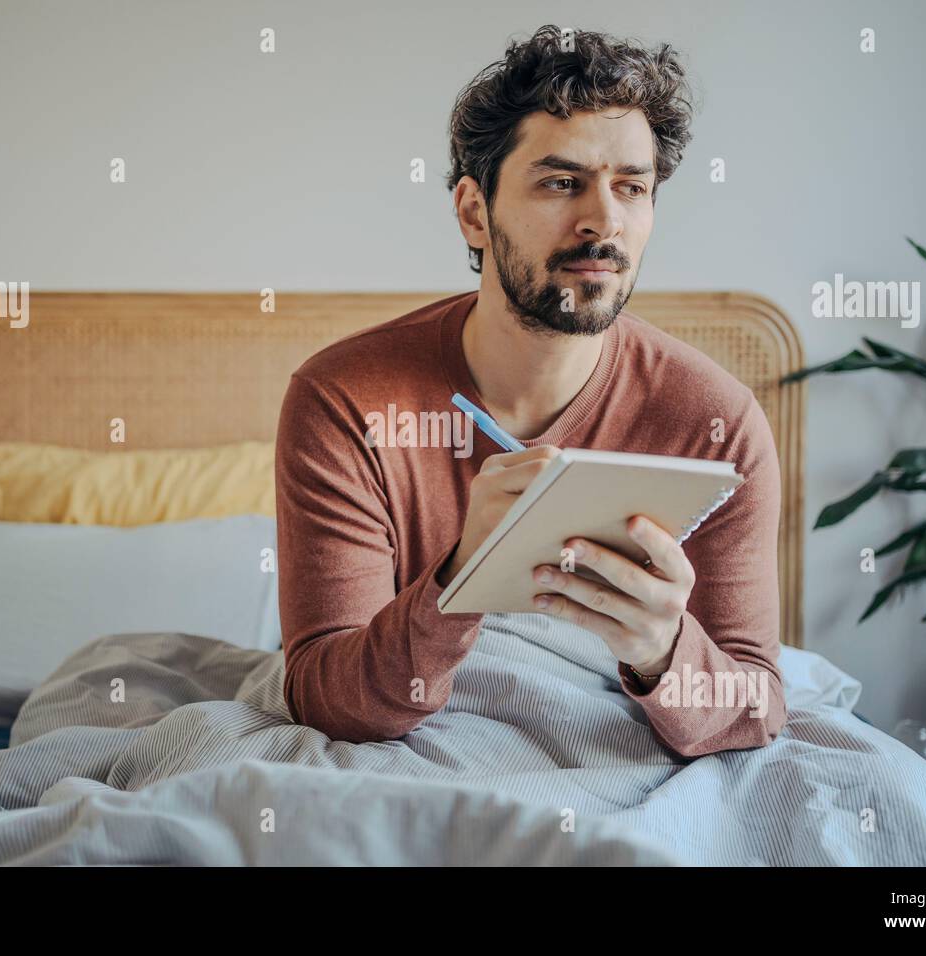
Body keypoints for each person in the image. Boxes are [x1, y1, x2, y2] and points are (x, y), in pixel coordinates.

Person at [274, 24, 786, 756]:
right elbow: (331, 700)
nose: (603, 221)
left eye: (631, 189)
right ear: (473, 212)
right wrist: (460, 579)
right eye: (560, 182)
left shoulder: (718, 424)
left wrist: (663, 651)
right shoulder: (346, 403)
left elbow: (754, 707)